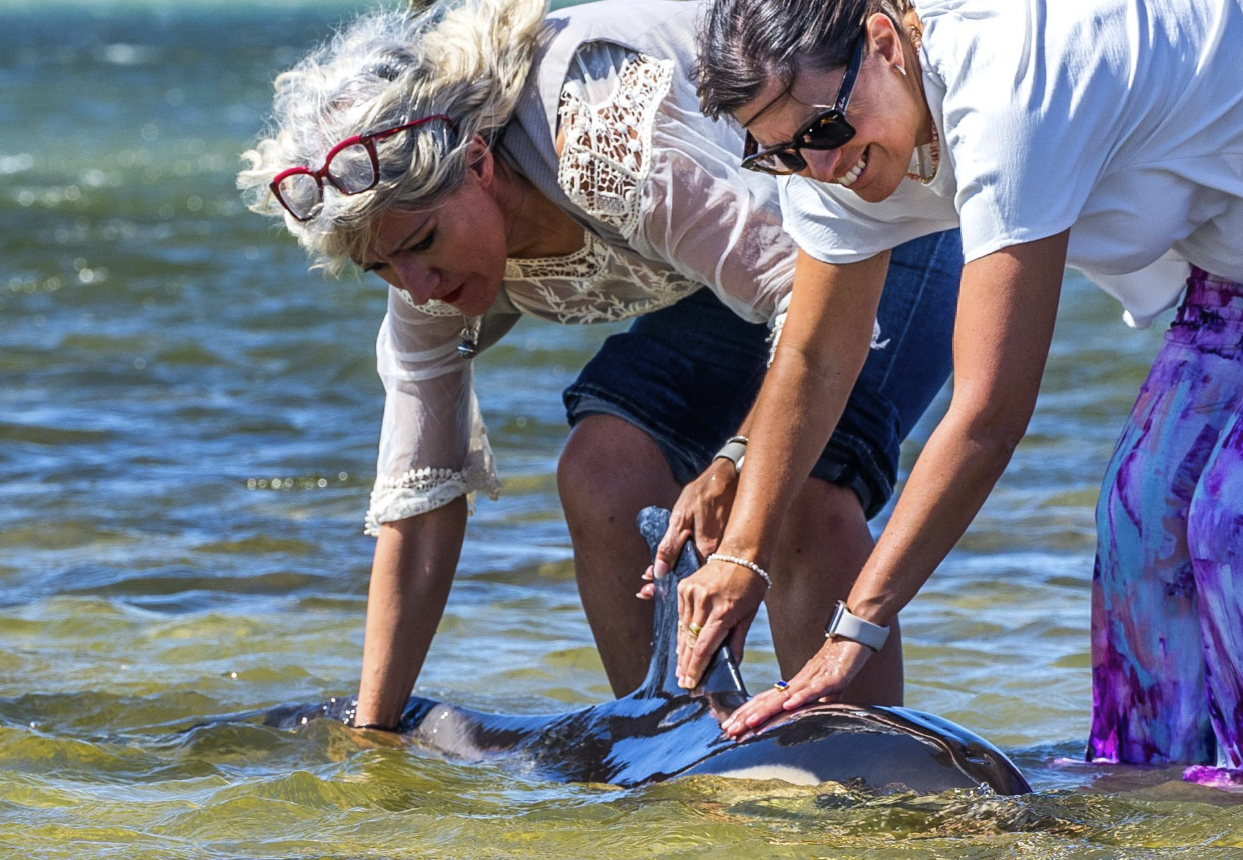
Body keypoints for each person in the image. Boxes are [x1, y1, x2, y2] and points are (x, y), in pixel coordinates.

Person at [238, 0, 962, 729]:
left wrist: (739, 461)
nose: (417, 286)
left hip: (871, 203)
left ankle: (864, 780)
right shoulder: (421, 281)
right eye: (380, 267)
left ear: (480, 164)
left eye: (423, 242)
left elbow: (806, 307)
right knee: (602, 473)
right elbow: (418, 505)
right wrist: (374, 728)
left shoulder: (602, 144)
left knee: (799, 490)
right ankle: (675, 743)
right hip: (737, 267)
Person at [668, 0, 1243, 775]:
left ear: (881, 42)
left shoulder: (1008, 86)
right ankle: (1156, 794)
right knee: (1140, 523)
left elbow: (987, 415)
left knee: (1224, 526)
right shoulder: (826, 139)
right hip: (1227, 279)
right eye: (779, 154)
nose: (820, 168)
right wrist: (742, 554)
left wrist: (855, 629)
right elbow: (812, 359)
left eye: (823, 133)